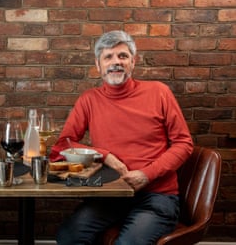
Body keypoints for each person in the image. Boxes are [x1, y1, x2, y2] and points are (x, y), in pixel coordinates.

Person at [50, 30, 193, 245]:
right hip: (109, 195)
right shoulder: (88, 100)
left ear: (133, 62)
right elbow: (63, 146)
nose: (115, 62)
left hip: (156, 196)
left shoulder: (159, 92)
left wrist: (147, 174)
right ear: (98, 65)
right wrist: (104, 155)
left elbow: (184, 143)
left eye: (122, 56)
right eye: (108, 57)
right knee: (68, 237)